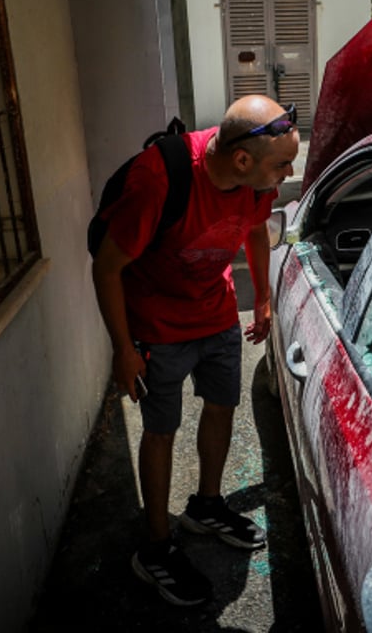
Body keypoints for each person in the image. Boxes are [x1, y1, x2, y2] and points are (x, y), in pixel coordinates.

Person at [91, 95, 299, 606]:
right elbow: (107, 266)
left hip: (216, 312)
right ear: (243, 160)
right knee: (161, 431)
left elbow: (253, 228)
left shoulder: (254, 183)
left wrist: (264, 298)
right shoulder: (159, 180)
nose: (289, 173)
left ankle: (206, 506)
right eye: (282, 164)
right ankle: (156, 548)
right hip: (157, 327)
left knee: (221, 406)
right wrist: (123, 349)